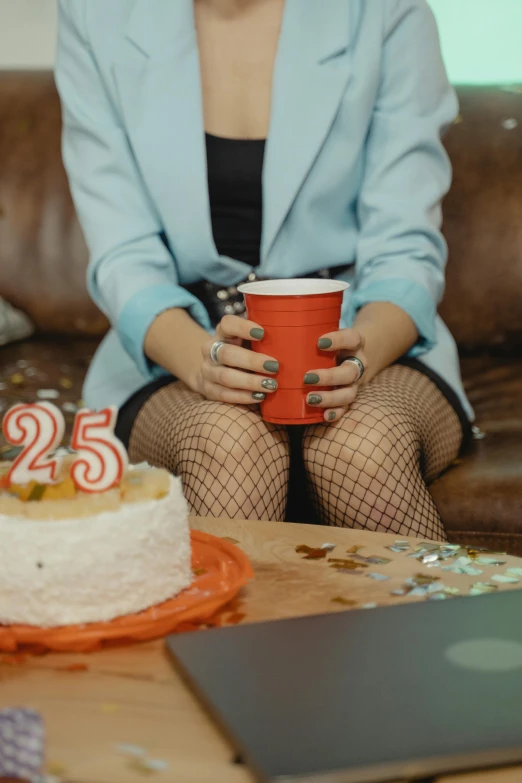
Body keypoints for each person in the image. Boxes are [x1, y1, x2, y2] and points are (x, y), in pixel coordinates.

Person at [55, 0, 473, 540]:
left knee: (361, 447)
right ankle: (228, 627)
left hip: (365, 333)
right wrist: (203, 362)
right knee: (230, 443)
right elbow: (123, 254)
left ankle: (440, 627)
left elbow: (406, 247)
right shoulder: (93, 14)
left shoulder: (386, 10)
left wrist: (359, 353)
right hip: (179, 346)